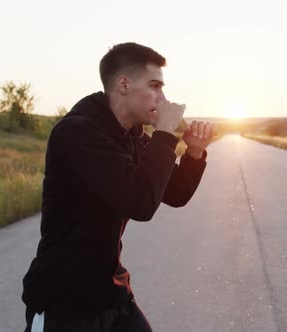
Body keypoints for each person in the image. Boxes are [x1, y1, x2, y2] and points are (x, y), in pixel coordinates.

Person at [22, 42, 214, 331]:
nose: (163, 99)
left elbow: (174, 193)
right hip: (64, 302)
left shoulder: (132, 134)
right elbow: (140, 203)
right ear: (124, 84)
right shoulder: (78, 132)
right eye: (154, 86)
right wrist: (164, 133)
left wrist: (194, 153)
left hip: (110, 292)